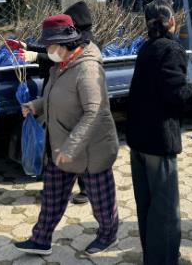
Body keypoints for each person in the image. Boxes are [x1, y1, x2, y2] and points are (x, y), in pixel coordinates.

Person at [14, 14, 119, 257]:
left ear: (64, 44)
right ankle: (40, 239)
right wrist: (36, 106)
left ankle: (108, 235)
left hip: (90, 150)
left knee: (102, 203)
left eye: (50, 45)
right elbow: (56, 97)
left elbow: (94, 112)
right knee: (52, 198)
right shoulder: (60, 67)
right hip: (61, 146)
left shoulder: (87, 69)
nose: (47, 50)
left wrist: (70, 148)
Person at [126, 1, 192, 265]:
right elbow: (175, 93)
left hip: (138, 138)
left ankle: (152, 256)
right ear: (173, 21)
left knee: (146, 204)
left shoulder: (147, 47)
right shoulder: (171, 48)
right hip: (158, 139)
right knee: (165, 209)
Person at [7, 1, 94, 204]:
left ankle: (87, 189)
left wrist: (36, 56)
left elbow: (61, 56)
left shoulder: (85, 42)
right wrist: (27, 47)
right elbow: (55, 52)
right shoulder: (71, 37)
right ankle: (56, 189)